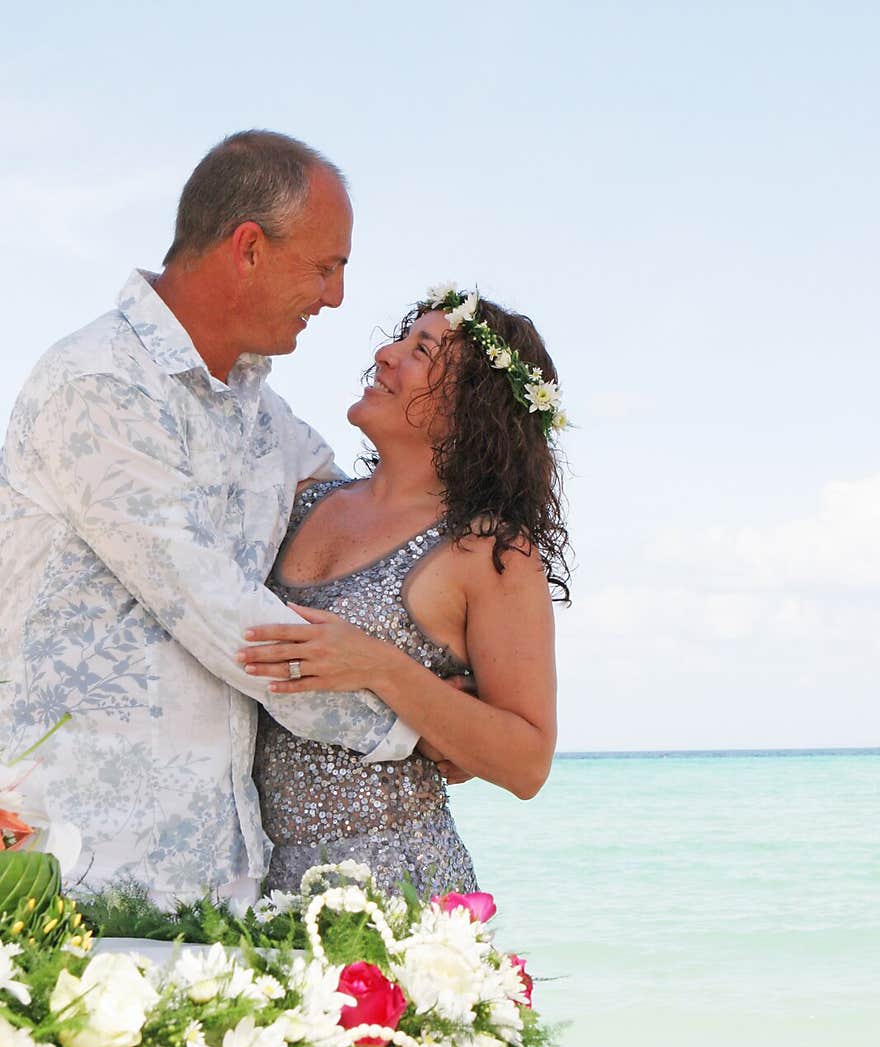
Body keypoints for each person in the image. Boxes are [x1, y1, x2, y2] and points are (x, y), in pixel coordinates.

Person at [0, 131, 416, 907]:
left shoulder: (262, 411)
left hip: (223, 871)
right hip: (73, 870)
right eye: (326, 267)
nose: (335, 298)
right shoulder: (97, 384)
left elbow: (359, 524)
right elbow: (223, 615)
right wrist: (413, 726)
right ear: (249, 248)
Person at [239, 284, 571, 898]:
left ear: (473, 409)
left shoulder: (490, 553)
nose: (386, 354)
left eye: (422, 350)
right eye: (401, 338)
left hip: (396, 890)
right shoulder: (296, 500)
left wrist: (382, 667)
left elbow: (527, 763)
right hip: (249, 878)